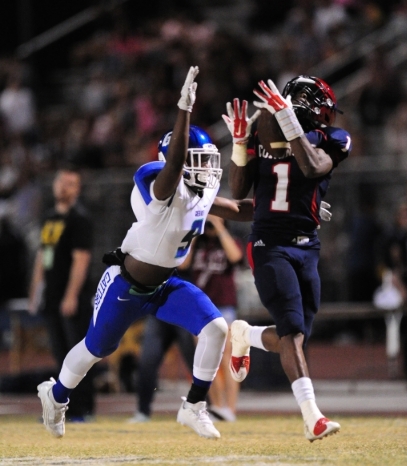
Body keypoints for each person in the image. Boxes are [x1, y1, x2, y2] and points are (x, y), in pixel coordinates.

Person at [36, 66, 253, 440]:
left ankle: (194, 407)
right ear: (179, 161)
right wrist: (183, 108)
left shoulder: (197, 193)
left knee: (217, 329)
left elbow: (238, 208)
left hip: (165, 285)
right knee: (94, 349)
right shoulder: (162, 187)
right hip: (127, 284)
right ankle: (54, 396)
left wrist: (291, 211)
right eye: (197, 159)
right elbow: (173, 166)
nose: (205, 168)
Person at [222, 75, 352, 442]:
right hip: (268, 244)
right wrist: (239, 142)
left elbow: (311, 167)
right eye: (323, 106)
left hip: (307, 245)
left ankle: (245, 334)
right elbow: (238, 189)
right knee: (293, 334)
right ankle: (313, 418)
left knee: (292, 337)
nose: (327, 115)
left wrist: (289, 122)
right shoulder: (266, 134)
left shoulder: (333, 139)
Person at [28, 165, 96, 421]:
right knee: (59, 354)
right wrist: (36, 291)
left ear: (77, 189)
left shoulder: (79, 218)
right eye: (61, 182)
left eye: (70, 183)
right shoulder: (49, 217)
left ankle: (83, 409)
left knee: (77, 356)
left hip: (71, 300)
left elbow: (81, 260)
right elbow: (42, 257)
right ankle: (61, 408)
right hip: (52, 297)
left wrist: (71, 295)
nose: (63, 187)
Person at [179, 214, 244, 422]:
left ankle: (230, 409)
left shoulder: (228, 241)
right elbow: (182, 264)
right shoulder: (198, 244)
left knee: (227, 358)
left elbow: (236, 257)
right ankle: (217, 407)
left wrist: (220, 228)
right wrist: (196, 233)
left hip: (224, 305)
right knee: (207, 358)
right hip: (201, 307)